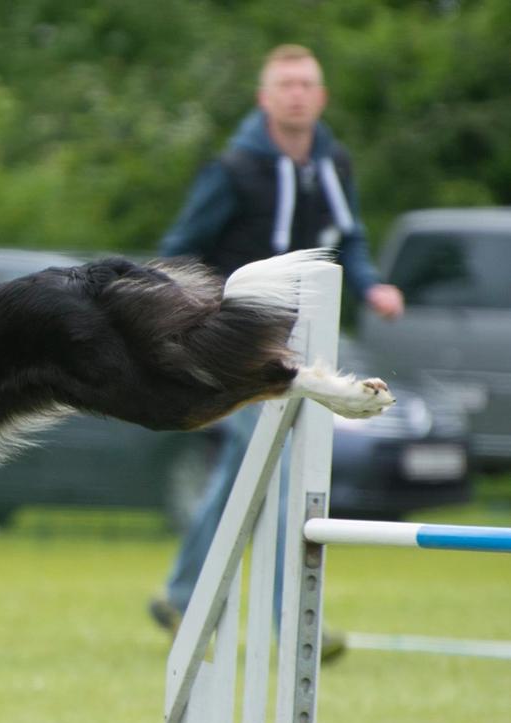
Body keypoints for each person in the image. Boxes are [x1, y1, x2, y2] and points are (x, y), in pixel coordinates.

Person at [147, 44, 404, 661]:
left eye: (306, 84)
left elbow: (350, 237)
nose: (296, 94)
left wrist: (371, 285)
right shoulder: (233, 170)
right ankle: (294, 622)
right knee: (280, 475)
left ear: (321, 98)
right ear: (265, 99)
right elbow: (179, 248)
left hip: (309, 340)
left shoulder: (333, 165)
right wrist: (192, 321)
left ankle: (183, 594)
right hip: (241, 345)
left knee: (251, 474)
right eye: (285, 84)